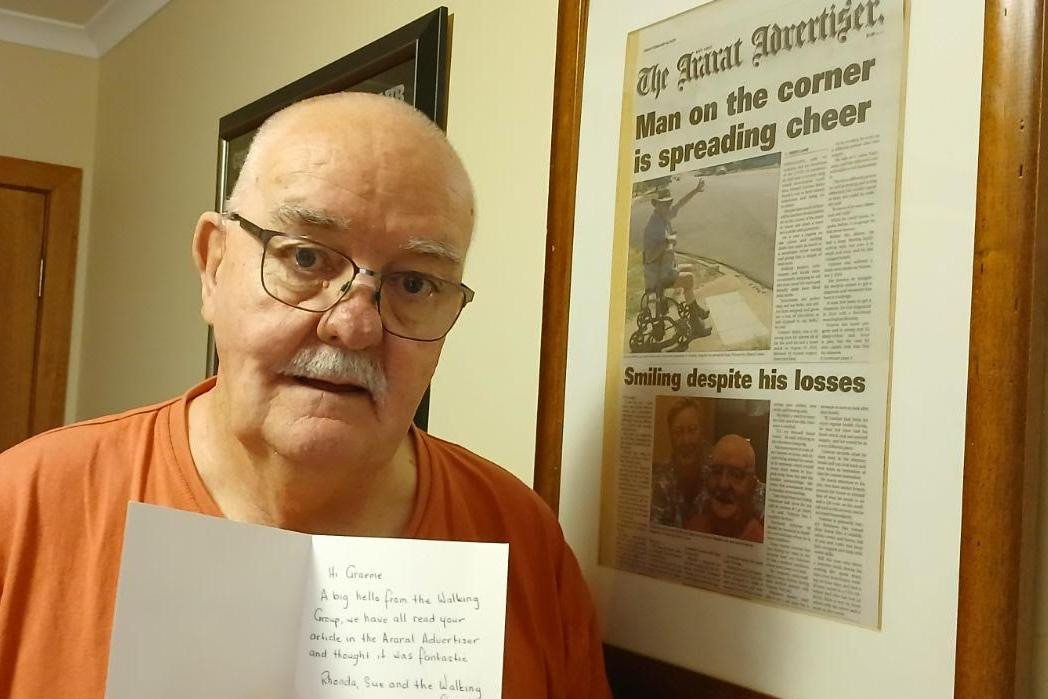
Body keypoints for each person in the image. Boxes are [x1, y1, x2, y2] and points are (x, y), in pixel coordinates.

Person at [0, 93, 610, 699]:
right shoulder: (26, 505)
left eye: (415, 282)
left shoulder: (520, 538)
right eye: (307, 257)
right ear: (214, 267)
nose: (355, 325)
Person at [642, 180, 710, 338]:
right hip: (657, 276)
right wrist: (668, 242)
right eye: (664, 203)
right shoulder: (654, 227)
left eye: (668, 203)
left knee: (690, 269)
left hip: (665, 269)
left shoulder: (663, 216)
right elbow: (650, 257)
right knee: (689, 279)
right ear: (656, 205)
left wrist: (695, 190)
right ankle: (695, 325)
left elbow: (680, 204)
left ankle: (694, 308)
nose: (668, 206)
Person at [685, 434, 764, 543]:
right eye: (716, 471)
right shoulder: (694, 528)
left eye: (736, 475)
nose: (723, 484)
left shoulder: (760, 539)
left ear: (752, 485)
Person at [650, 398, 707, 527]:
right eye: (678, 432)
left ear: (702, 432)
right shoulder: (658, 479)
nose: (686, 440)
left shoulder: (717, 473)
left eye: (692, 430)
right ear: (671, 436)